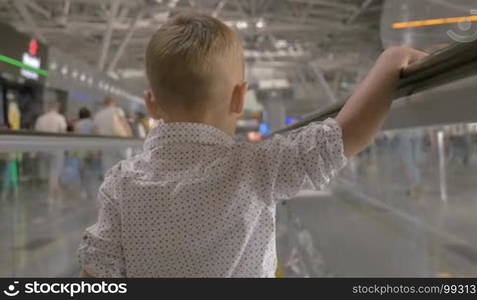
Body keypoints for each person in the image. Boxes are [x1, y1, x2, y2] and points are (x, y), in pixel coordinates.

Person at [78, 13, 427, 277]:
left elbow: (95, 274)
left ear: (152, 104)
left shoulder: (120, 184)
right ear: (239, 97)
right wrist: (391, 60)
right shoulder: (257, 166)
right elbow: (346, 134)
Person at [34, 101, 67, 203]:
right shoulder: (60, 118)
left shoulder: (41, 119)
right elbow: (63, 132)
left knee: (45, 173)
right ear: (57, 107)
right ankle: (52, 196)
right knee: (54, 174)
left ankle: (49, 195)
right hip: (56, 149)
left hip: (43, 149)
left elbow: (37, 134)